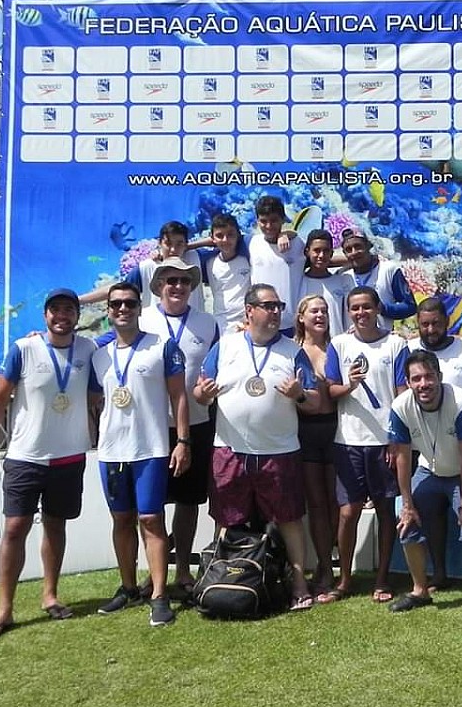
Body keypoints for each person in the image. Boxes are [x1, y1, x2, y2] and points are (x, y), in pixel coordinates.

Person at [0, 289, 98, 640]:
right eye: (55, 310)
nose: (62, 315)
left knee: (56, 526)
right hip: (25, 456)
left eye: (69, 310)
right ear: (45, 316)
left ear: (77, 316)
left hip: (69, 456)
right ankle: (4, 609)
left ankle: (50, 595)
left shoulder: (89, 350)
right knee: (15, 529)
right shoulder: (24, 349)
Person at [194, 283, 317, 611]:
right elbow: (199, 391)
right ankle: (220, 579)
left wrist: (299, 395)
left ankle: (299, 584)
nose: (276, 312)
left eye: (278, 306)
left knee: (289, 519)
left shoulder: (293, 351)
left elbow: (316, 401)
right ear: (249, 311)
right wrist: (204, 394)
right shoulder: (226, 345)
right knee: (227, 518)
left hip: (279, 451)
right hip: (230, 450)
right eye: (268, 306)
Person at [89, 282, 191, 627]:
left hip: (151, 449)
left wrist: (183, 441)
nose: (122, 309)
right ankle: (129, 587)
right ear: (108, 309)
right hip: (111, 451)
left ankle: (159, 595)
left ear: (139, 307)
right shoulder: (98, 353)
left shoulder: (162, 346)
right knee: (121, 520)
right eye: (115, 304)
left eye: (129, 303)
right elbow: (91, 399)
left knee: (151, 519)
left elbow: (179, 397)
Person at [387, 350, 462, 624]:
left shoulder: (460, 401)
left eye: (428, 376)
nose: (423, 384)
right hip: (429, 469)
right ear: (409, 382)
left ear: (439, 377)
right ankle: (420, 590)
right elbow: (401, 455)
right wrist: (408, 504)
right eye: (416, 379)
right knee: (405, 520)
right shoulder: (400, 406)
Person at [139, 257, 220, 594]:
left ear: (192, 287)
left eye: (185, 281)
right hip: (150, 426)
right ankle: (153, 572)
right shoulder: (141, 318)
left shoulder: (208, 323)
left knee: (188, 502)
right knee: (150, 505)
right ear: (159, 286)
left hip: (196, 425)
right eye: (170, 281)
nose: (177, 287)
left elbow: (218, 366)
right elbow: (105, 348)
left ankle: (184, 568)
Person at [325, 286, 409, 601]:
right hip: (347, 442)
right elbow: (331, 391)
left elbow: (402, 395)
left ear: (377, 309)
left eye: (366, 307)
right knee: (348, 512)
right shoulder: (340, 344)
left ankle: (383, 579)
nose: (360, 313)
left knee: (387, 510)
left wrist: (395, 439)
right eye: (355, 308)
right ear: (348, 312)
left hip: (383, 443)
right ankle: (345, 579)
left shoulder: (396, 344)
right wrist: (349, 386)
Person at [408, 296, 462, 587]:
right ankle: (437, 575)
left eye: (436, 323)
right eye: (424, 324)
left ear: (447, 323)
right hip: (427, 459)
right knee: (427, 518)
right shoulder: (409, 350)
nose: (430, 329)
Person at [294, 294, 341, 600]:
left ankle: (340, 565)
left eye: (324, 311)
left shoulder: (340, 347)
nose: (321, 315)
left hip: (337, 429)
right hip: (306, 432)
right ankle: (323, 567)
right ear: (301, 317)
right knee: (317, 505)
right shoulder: (293, 351)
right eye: (314, 311)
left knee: (337, 504)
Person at [80, 220, 205, 311]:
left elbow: (219, 243)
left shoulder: (197, 259)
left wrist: (191, 247)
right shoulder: (146, 268)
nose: (173, 249)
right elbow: (117, 289)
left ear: (186, 244)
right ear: (159, 243)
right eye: (168, 243)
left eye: (179, 243)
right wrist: (80, 300)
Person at [339, 225, 416, 332]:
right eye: (348, 249)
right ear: (344, 253)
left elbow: (410, 306)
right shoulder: (344, 278)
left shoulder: (389, 270)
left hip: (382, 342)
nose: (354, 252)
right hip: (353, 343)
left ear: (368, 245)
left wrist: (383, 309)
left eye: (358, 246)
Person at [248, 195, 303, 331]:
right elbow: (219, 240)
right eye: (263, 221)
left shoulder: (298, 244)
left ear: (283, 219)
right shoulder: (251, 243)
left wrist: (286, 234)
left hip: (291, 325)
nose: (268, 226)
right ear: (257, 221)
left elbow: (322, 259)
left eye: (274, 220)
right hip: (260, 324)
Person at [196, 212, 252, 331]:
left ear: (238, 234)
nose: (225, 240)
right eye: (220, 236)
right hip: (220, 325)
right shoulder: (208, 261)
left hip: (246, 323)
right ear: (212, 238)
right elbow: (181, 251)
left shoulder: (248, 255)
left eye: (230, 235)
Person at [298, 229, 356, 336]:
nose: (321, 255)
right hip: (306, 346)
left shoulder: (342, 280)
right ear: (307, 252)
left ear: (331, 253)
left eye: (326, 251)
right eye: (317, 250)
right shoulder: (298, 281)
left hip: (336, 345)